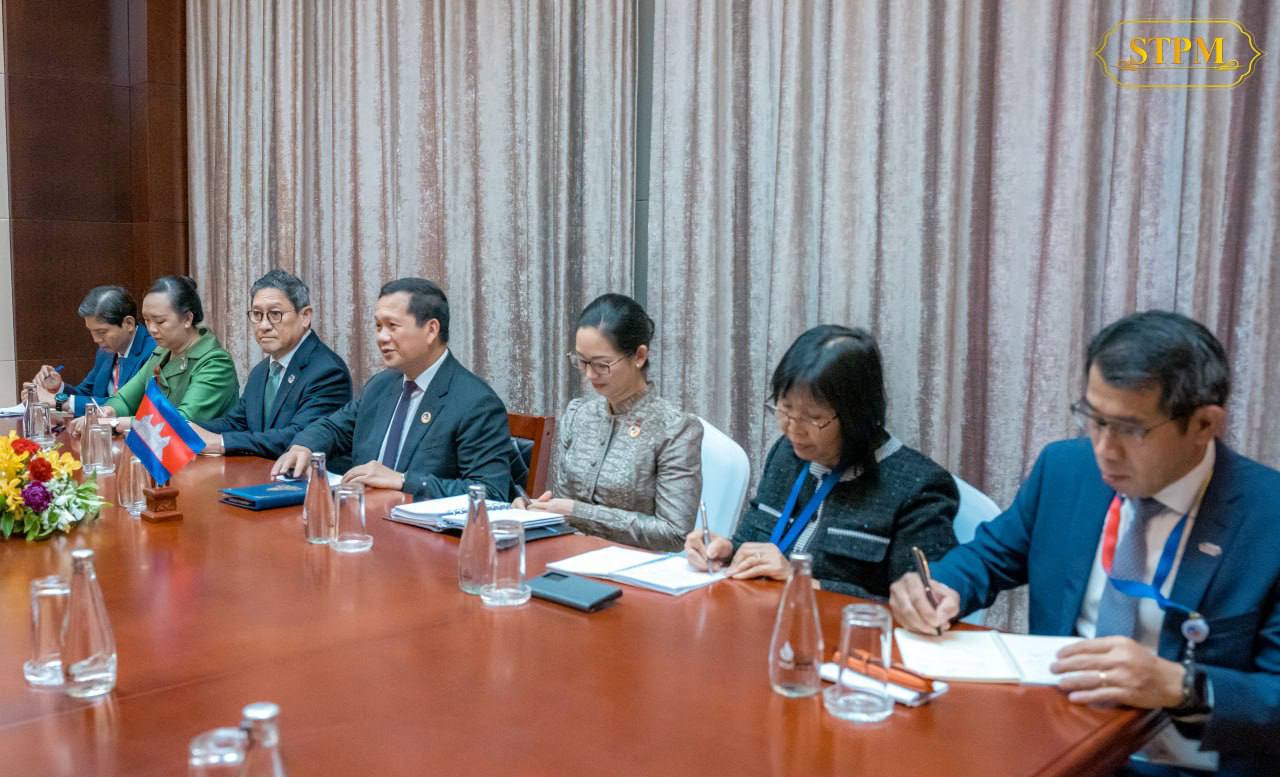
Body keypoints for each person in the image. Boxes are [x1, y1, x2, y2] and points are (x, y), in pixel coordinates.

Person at [890, 311, 1280, 777]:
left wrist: (1180, 685)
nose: (1105, 448)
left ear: (1204, 425)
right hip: (1052, 750)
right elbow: (992, 554)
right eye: (1094, 420)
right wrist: (939, 586)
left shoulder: (1268, 517)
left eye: (1131, 429)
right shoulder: (1066, 470)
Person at [686, 325, 958, 598]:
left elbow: (920, 607)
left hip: (841, 625)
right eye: (785, 408)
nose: (793, 428)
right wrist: (726, 552)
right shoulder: (787, 454)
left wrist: (799, 580)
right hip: (762, 615)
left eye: (813, 418)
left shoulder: (917, 488)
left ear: (857, 415)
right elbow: (753, 541)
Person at [271, 277, 514, 500]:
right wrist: (304, 446)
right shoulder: (382, 385)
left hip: (420, 530)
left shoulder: (475, 402)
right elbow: (333, 427)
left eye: (392, 326)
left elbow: (491, 493)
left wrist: (403, 481)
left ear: (431, 330)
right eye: (378, 326)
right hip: (363, 516)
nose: (381, 337)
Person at [518, 294, 701, 551]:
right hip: (571, 556)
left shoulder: (674, 429)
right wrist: (534, 510)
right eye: (582, 361)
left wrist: (579, 513)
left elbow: (674, 534)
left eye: (602, 365)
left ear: (639, 356)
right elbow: (564, 503)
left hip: (636, 565)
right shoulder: (579, 414)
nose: (589, 374)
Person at [192, 269, 352, 459]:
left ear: (305, 316)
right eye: (257, 314)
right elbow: (237, 423)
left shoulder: (327, 371)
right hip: (259, 472)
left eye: (275, 314)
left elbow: (299, 438)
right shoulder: (261, 371)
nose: (264, 325)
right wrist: (184, 428)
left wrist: (221, 443)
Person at [70, 275, 239, 434]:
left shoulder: (216, 363)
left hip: (205, 453)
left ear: (187, 319)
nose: (151, 329)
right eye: (147, 320)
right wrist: (109, 411)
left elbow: (181, 421)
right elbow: (125, 399)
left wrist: (117, 422)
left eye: (160, 321)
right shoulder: (162, 352)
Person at [31, 285, 156, 416]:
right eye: (91, 331)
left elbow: (130, 405)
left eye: (101, 332)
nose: (96, 339)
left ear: (128, 323)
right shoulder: (105, 352)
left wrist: (57, 401)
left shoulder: (153, 351)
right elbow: (85, 394)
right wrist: (58, 388)